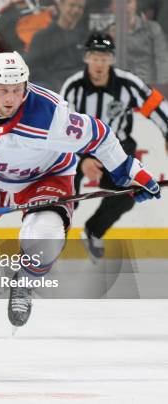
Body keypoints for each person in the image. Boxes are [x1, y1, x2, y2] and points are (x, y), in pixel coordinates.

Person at [0, 51, 160, 337]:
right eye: (3, 91)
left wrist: (130, 172)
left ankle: (24, 281)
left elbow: (99, 135)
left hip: (45, 177)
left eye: (17, 90)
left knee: (44, 236)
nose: (10, 99)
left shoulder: (50, 114)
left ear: (25, 87)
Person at [60, 32, 168, 261]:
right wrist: (82, 159)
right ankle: (52, 237)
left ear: (112, 59)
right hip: (78, 148)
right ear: (87, 57)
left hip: (117, 148)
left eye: (105, 57)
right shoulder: (73, 87)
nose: (99, 63)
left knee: (127, 194)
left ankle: (93, 231)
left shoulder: (128, 83)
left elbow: (156, 107)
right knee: (64, 197)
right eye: (95, 57)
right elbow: (59, 131)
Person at [26, 0, 88, 91]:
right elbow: (35, 70)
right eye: (72, 5)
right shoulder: (41, 37)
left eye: (80, 7)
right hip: (52, 90)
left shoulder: (85, 38)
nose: (76, 11)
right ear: (60, 5)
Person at [108, 0, 168, 85]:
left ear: (135, 4)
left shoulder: (152, 29)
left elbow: (163, 60)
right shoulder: (106, 34)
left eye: (128, 2)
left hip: (149, 87)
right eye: (119, 3)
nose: (125, 7)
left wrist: (162, 89)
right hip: (119, 88)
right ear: (112, 7)